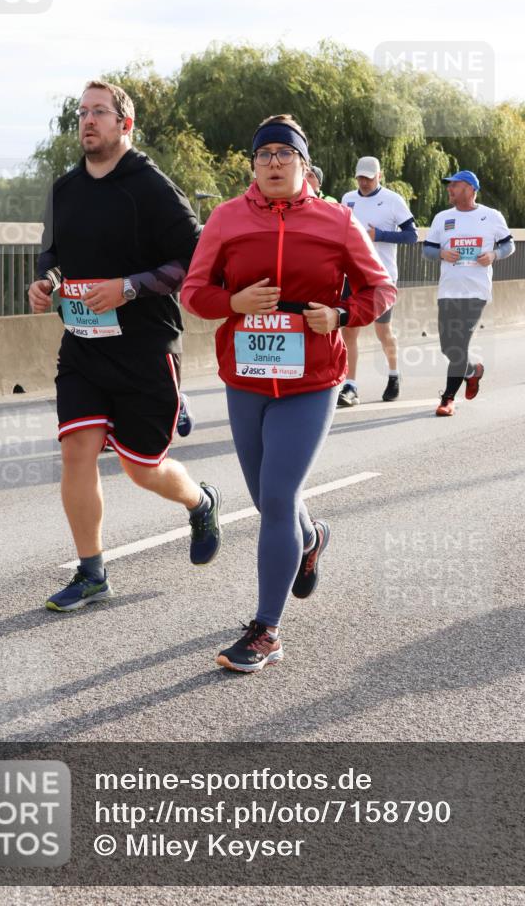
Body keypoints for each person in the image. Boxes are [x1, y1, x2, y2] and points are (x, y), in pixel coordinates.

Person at [181, 114, 395, 672]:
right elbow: (194, 292)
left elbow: (381, 288)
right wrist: (233, 303)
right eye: (264, 154)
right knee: (267, 498)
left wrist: (343, 312)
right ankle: (311, 538)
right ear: (253, 165)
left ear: (304, 164)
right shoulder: (226, 219)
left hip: (311, 381)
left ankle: (266, 632)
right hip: (245, 381)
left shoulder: (339, 221)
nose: (274, 162)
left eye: (285, 153)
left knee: (276, 497)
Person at [28, 79, 221, 611]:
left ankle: (200, 501)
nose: (87, 121)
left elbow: (193, 260)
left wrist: (129, 286)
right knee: (76, 453)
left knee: (141, 468)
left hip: (145, 345)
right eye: (81, 113)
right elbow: (50, 255)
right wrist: (44, 282)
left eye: (99, 112)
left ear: (124, 124)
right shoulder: (64, 190)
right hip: (84, 346)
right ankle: (92, 572)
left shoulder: (153, 188)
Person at [422, 170, 515, 416]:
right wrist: (442, 253)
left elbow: (509, 244)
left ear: (471, 188)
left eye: (455, 185)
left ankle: (447, 399)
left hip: (476, 291)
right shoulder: (442, 218)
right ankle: (472, 370)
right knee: (447, 347)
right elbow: (428, 250)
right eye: (449, 185)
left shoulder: (491, 216)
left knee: (459, 344)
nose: (449, 189)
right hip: (448, 290)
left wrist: (494, 255)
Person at [338, 156, 417, 406]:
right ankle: (350, 386)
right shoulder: (347, 199)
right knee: (349, 330)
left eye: (369, 178)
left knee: (383, 331)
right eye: (360, 177)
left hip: (381, 277)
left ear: (379, 176)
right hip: (353, 276)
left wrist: (378, 235)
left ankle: (394, 375)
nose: (364, 182)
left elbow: (412, 236)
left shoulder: (393, 200)